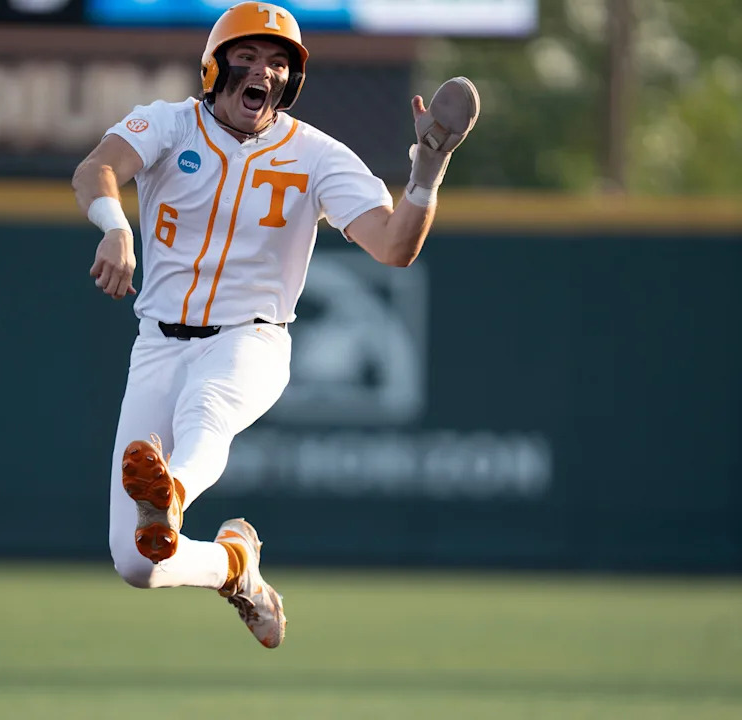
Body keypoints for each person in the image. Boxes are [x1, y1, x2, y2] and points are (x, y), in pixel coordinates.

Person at [71, 2, 479, 649]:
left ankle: (171, 489)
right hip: (158, 342)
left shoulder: (316, 155)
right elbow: (95, 167)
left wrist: (427, 171)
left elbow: (394, 246)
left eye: (280, 62)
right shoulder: (170, 124)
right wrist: (117, 229)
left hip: (250, 338)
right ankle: (236, 566)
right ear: (215, 66)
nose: (265, 71)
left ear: (293, 81)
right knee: (138, 563)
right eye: (249, 56)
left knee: (208, 411)